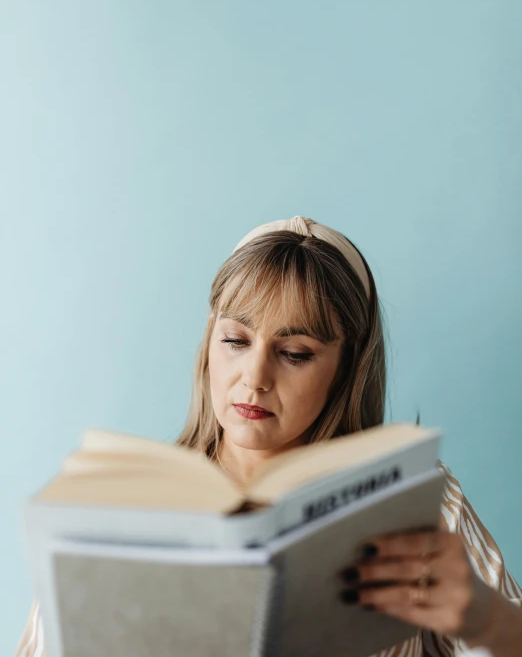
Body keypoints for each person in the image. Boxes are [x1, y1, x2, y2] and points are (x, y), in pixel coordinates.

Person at [14, 216, 522, 657]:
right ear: (209, 343)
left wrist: (487, 618)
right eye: (235, 340)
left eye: (295, 353)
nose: (254, 376)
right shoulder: (122, 508)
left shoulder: (418, 502)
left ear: (347, 368)